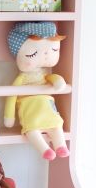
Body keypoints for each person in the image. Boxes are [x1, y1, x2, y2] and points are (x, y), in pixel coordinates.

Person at [4, 21, 69, 160]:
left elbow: (53, 78)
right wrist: (9, 117)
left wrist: (58, 81)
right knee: (31, 130)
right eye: (33, 54)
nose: (45, 55)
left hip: (47, 109)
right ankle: (45, 150)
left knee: (57, 125)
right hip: (30, 111)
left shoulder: (46, 75)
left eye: (54, 50)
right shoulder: (21, 79)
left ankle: (61, 146)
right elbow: (11, 96)